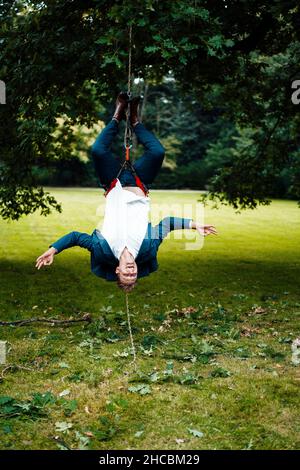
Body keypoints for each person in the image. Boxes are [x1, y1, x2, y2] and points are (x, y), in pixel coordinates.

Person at [36, 93, 217, 291]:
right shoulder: (148, 248)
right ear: (138, 270)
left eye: (126, 274)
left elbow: (75, 237)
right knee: (157, 152)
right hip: (139, 183)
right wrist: (194, 225)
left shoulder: (102, 250)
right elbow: (167, 224)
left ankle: (117, 114)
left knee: (97, 150)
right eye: (134, 274)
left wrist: (53, 250)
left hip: (113, 182)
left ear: (117, 270)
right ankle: (134, 120)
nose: (131, 271)